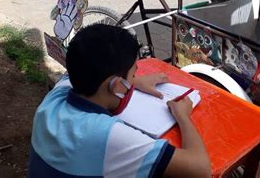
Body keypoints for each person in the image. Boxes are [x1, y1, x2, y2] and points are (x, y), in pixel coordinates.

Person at [27, 24, 211, 178]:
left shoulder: (56, 95)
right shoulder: (107, 135)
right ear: (116, 85)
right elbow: (200, 170)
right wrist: (182, 116)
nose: (133, 80)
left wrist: (136, 82)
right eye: (133, 75)